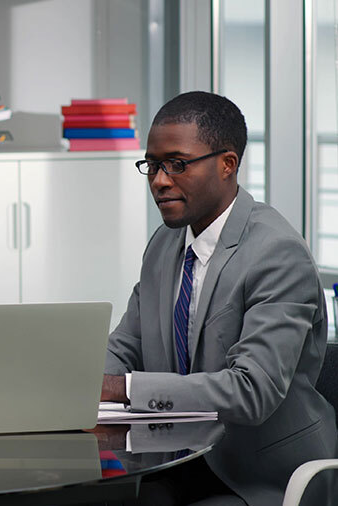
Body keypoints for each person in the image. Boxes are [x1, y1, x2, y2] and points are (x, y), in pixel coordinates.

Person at [102, 91, 335, 505]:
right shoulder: (164, 243)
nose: (159, 180)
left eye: (177, 164)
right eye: (152, 165)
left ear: (228, 164)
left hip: (259, 476)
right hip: (174, 461)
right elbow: (127, 345)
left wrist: (122, 389)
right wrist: (74, 382)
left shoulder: (276, 253)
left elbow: (251, 391)